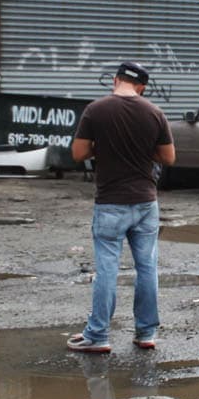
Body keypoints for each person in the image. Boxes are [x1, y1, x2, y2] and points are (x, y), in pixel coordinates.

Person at [67, 60, 174, 354]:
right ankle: (146, 333)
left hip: (111, 203)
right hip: (145, 202)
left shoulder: (96, 110)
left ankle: (98, 335)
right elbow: (168, 157)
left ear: (116, 80)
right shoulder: (154, 112)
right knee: (147, 268)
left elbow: (78, 153)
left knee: (106, 270)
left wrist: (102, 147)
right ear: (141, 86)